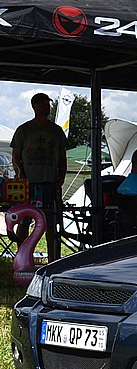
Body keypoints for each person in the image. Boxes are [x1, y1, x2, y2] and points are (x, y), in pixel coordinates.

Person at [11, 92, 68, 261]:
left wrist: (61, 178)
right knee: (24, 221)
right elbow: (15, 157)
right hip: (29, 185)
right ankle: (22, 258)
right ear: (34, 106)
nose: (47, 107)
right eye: (43, 104)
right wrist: (21, 177)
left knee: (51, 224)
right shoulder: (24, 130)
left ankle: (52, 260)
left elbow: (63, 157)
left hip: (50, 184)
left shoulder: (56, 131)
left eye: (48, 104)